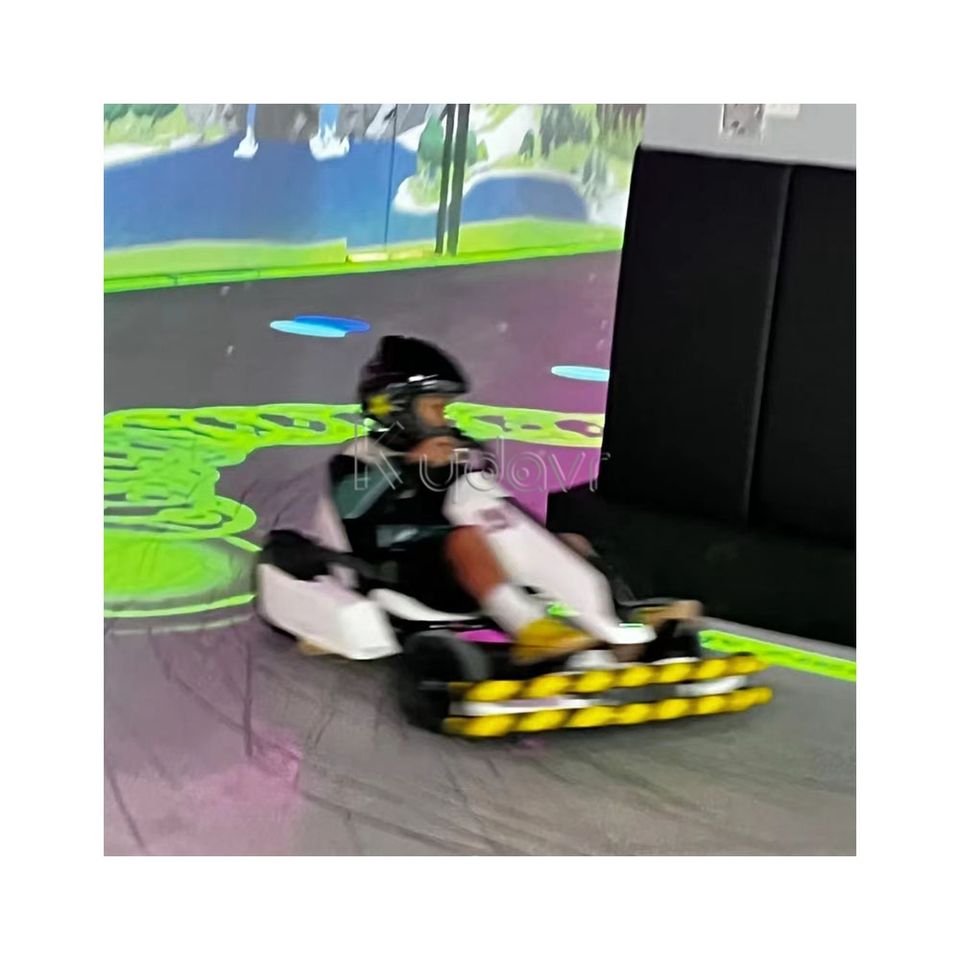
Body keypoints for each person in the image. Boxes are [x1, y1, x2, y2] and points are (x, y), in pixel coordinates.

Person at [328, 335, 604, 665]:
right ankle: (530, 628)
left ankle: (608, 618)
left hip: (459, 564)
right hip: (399, 569)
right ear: (399, 409)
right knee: (466, 539)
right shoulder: (358, 457)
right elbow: (352, 509)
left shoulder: (445, 459)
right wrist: (409, 466)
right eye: (437, 408)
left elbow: (479, 504)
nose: (445, 420)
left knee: (566, 543)